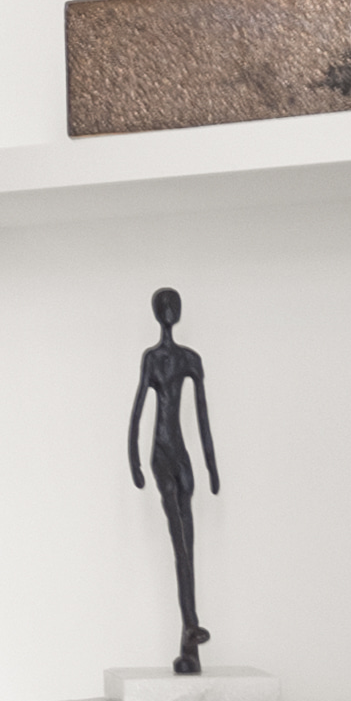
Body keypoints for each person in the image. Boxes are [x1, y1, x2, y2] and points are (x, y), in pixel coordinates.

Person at [126, 285, 221, 675]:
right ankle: (191, 624)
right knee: (179, 538)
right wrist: (134, 459)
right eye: (164, 305)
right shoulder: (151, 359)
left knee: (189, 540)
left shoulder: (190, 360)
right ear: (157, 312)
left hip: (181, 455)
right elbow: (138, 410)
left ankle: (190, 635)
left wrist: (212, 466)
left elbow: (202, 417)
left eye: (174, 304)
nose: (170, 310)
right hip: (161, 455)